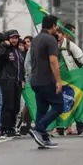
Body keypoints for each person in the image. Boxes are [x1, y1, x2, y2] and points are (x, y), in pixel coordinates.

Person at [27, 15, 63, 148]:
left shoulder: (35, 39)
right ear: (53, 25)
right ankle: (39, 128)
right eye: (56, 25)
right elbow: (53, 61)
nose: (57, 28)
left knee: (42, 109)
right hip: (46, 80)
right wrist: (58, 81)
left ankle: (43, 139)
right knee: (59, 106)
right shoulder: (50, 39)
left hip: (35, 80)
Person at [0, 29, 25, 137]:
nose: (14, 40)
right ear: (8, 39)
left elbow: (21, 68)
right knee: (8, 105)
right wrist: (4, 46)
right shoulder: (5, 50)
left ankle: (12, 127)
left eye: (16, 38)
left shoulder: (18, 51)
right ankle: (5, 128)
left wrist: (22, 80)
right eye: (12, 38)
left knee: (16, 106)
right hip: (7, 80)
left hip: (17, 82)